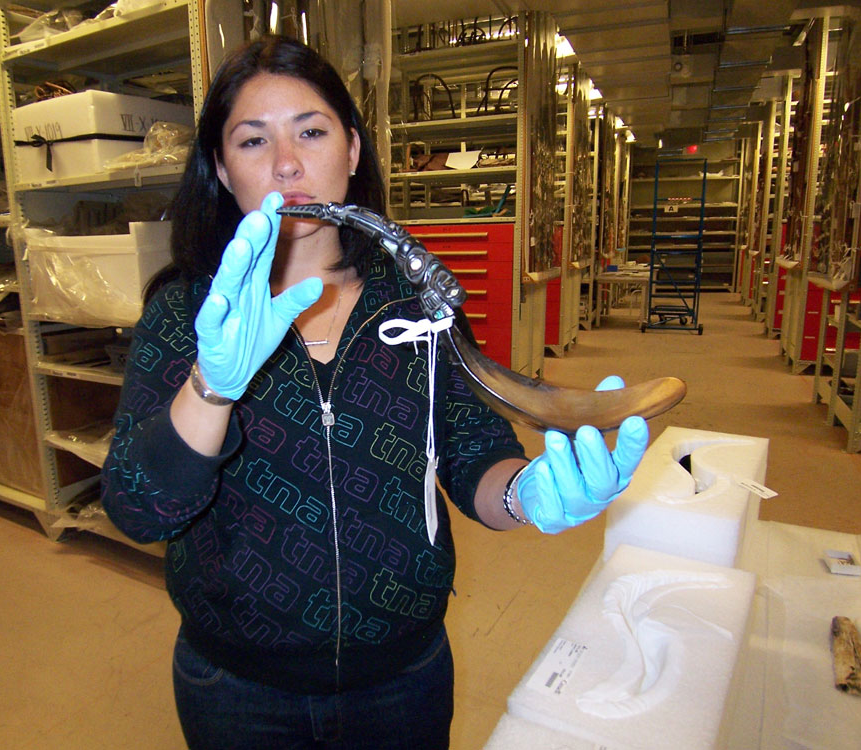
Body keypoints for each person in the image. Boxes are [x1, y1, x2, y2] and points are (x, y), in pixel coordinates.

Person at [101, 34, 648, 750]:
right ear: (219, 167)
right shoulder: (186, 316)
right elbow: (138, 508)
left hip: (403, 679)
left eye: (312, 131)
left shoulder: (418, 302)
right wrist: (210, 387)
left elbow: (472, 450)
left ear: (352, 152)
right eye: (252, 140)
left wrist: (528, 491)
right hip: (237, 687)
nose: (287, 163)